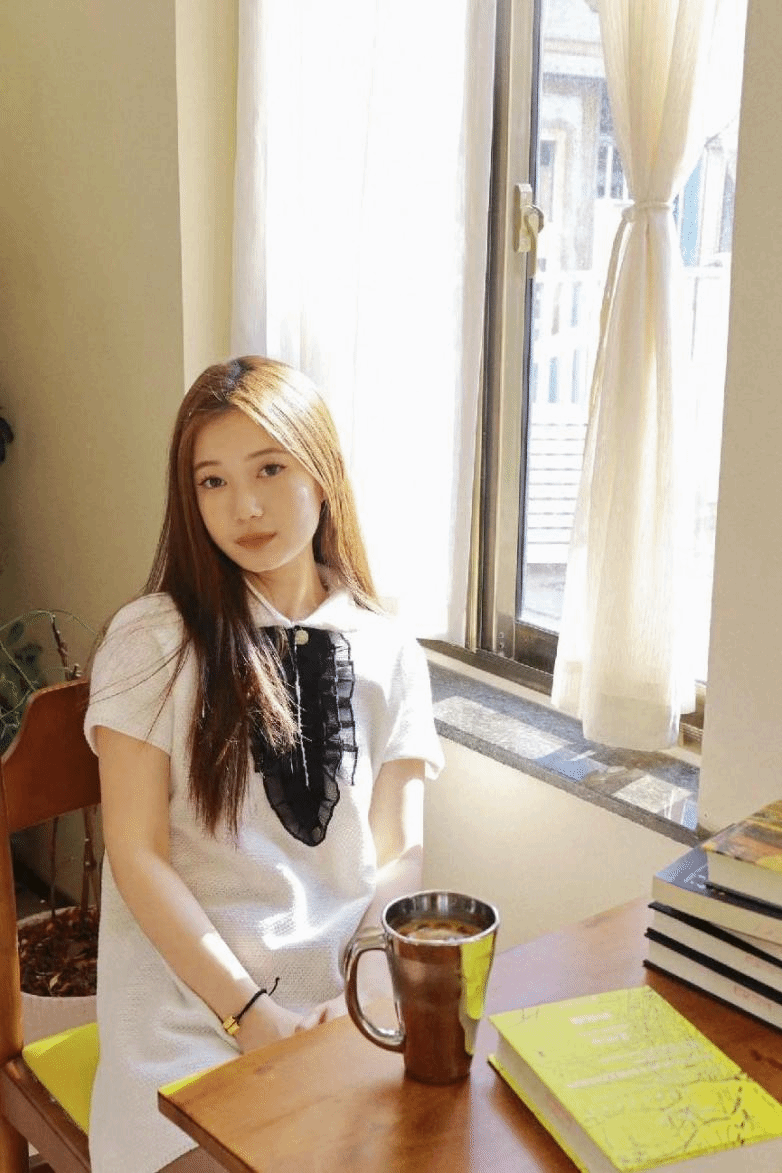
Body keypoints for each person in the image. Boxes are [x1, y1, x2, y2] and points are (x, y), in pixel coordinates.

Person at [84, 356, 443, 1172]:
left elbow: (400, 853)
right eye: (212, 481)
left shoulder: (391, 648)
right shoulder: (152, 639)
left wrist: (368, 986)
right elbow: (136, 856)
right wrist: (252, 1016)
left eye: (270, 469)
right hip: (187, 1018)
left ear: (322, 471)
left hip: (351, 1002)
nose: (244, 506)